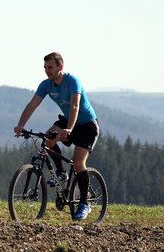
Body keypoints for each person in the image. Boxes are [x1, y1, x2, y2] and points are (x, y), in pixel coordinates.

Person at [14, 52, 99, 220]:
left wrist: (68, 129)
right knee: (47, 139)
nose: (47, 71)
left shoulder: (72, 82)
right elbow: (32, 105)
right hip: (67, 121)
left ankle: (84, 204)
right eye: (45, 68)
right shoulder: (46, 85)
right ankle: (61, 173)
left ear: (60, 67)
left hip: (86, 125)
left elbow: (74, 106)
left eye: (50, 67)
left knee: (78, 162)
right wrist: (20, 125)